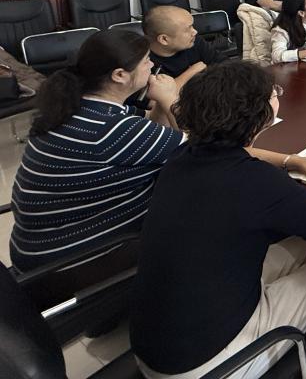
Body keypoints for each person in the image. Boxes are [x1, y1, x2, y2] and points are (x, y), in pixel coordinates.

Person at [129, 60, 306, 379]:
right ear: (260, 115)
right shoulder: (257, 181)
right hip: (208, 364)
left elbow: (240, 153)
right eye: (273, 93)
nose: (277, 95)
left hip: (153, 345)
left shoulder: (183, 155)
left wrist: (291, 161)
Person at [9, 30, 180, 299]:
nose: (152, 65)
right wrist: (171, 99)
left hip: (38, 251)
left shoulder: (76, 106)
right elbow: (202, 149)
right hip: (71, 264)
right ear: (119, 75)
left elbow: (149, 132)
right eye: (147, 60)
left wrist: (158, 102)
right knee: (197, 205)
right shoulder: (112, 129)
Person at [143, 5, 224, 89]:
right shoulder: (142, 62)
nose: (195, 32)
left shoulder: (193, 41)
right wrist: (192, 71)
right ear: (164, 39)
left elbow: (225, 66)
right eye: (187, 29)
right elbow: (157, 96)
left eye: (192, 26)